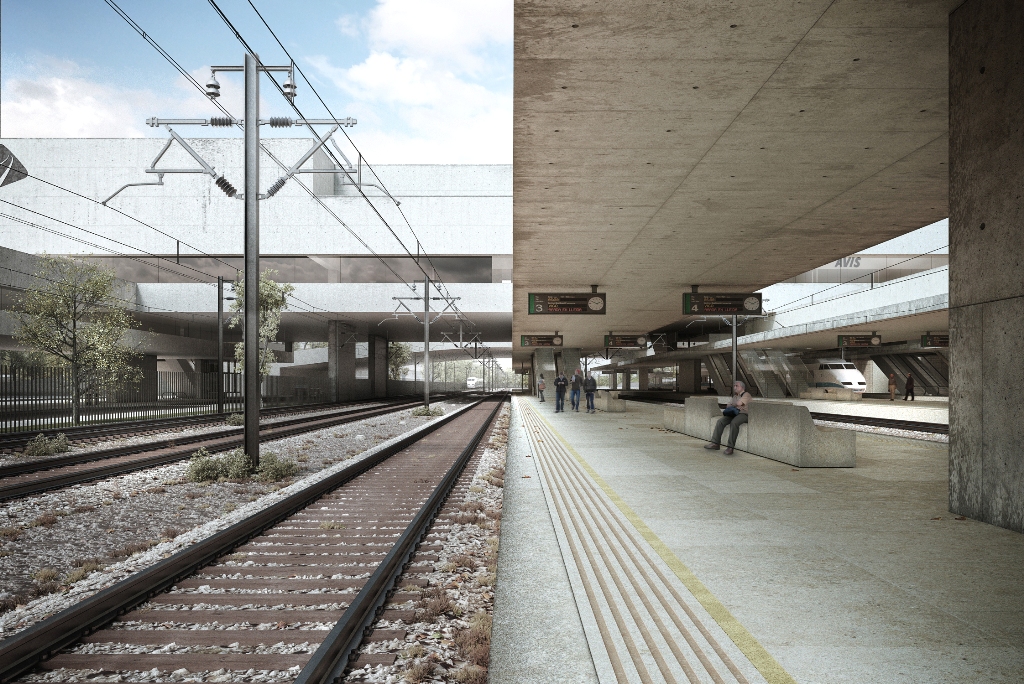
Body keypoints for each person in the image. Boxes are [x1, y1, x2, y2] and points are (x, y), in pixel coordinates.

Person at [704, 381, 752, 455]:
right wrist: (736, 405)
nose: (735, 387)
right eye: (734, 386)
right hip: (734, 413)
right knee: (720, 421)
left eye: (737, 386)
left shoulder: (746, 395)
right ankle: (715, 443)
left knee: (734, 423)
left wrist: (735, 405)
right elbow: (728, 406)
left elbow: (738, 403)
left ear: (742, 387)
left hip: (744, 414)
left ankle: (730, 447)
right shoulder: (735, 396)